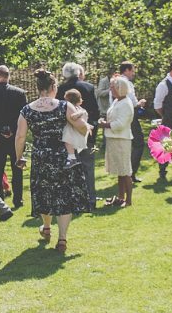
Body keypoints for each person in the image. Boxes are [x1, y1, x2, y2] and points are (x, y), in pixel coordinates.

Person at [15, 70, 93, 253]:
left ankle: (47, 227)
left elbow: (20, 136)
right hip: (63, 155)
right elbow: (82, 129)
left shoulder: (27, 110)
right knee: (64, 194)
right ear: (53, 87)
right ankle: (62, 239)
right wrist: (82, 123)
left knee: (44, 192)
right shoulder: (65, 106)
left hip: (41, 156)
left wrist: (19, 157)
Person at [0, 66, 28, 210]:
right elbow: (23, 116)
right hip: (15, 137)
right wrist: (12, 130)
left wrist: (0, 129)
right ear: (8, 76)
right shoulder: (19, 93)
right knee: (17, 170)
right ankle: (18, 200)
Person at [58, 63, 100, 202]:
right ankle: (91, 199)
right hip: (85, 133)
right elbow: (95, 111)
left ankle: (73, 199)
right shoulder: (88, 87)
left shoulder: (61, 89)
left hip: (69, 135)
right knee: (88, 166)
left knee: (71, 167)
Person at [99, 76, 136, 207]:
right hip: (114, 139)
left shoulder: (126, 103)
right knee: (120, 171)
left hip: (121, 140)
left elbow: (120, 124)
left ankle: (129, 200)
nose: (110, 89)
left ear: (120, 88)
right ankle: (121, 198)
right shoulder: (117, 101)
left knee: (125, 170)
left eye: (112, 87)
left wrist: (105, 125)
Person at [114, 62, 147, 183]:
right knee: (138, 144)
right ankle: (130, 173)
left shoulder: (114, 82)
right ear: (126, 70)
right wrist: (141, 103)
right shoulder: (126, 83)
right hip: (129, 116)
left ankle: (124, 173)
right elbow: (132, 103)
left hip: (117, 116)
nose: (133, 73)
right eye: (132, 70)